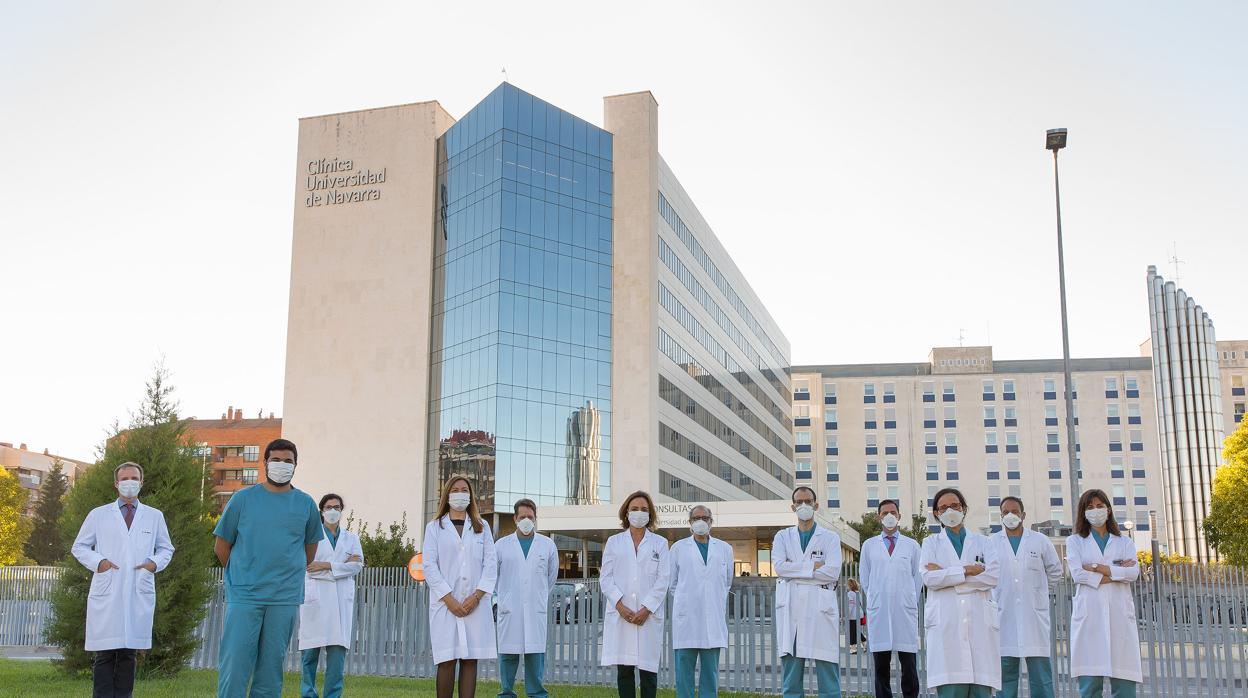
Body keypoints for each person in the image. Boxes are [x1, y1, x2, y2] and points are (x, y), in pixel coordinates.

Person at [214, 438, 323, 697]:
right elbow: (222, 546)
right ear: (265, 463)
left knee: (271, 669)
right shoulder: (242, 499)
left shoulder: (305, 504)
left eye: (288, 461)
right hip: (245, 596)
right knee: (235, 665)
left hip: (283, 598)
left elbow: (309, 552)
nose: (282, 465)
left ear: (296, 465)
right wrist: (245, 572)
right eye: (276, 460)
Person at [71, 461, 175, 698]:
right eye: (125, 478)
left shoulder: (154, 516)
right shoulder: (98, 515)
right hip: (108, 589)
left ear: (141, 482)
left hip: (138, 589)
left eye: (134, 478)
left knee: (128, 653)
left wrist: (153, 564)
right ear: (116, 483)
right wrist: (101, 563)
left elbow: (166, 549)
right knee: (105, 653)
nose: (130, 482)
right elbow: (79, 547)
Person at [920, 487, 1001, 698]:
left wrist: (948, 577)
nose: (950, 511)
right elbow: (929, 578)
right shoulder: (930, 543)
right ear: (937, 514)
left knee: (981, 688)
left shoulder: (984, 542)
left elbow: (992, 577)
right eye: (943, 507)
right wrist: (967, 570)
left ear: (964, 509)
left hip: (980, 627)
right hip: (947, 627)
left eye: (954, 506)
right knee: (951, 688)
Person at [423, 476, 498, 698]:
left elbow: (490, 565)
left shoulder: (481, 526)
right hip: (445, 605)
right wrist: (450, 600)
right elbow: (429, 566)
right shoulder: (435, 527)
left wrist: (476, 597)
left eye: (464, 489)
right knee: (446, 660)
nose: (460, 493)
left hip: (474, 604)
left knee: (469, 659)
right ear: (447, 495)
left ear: (470, 496)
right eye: (455, 489)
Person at [1065, 489, 1142, 698]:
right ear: (1083, 513)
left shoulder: (1124, 542)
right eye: (1090, 507)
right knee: (1090, 686)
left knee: (1125, 685)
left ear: (1108, 510)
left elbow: (1133, 573)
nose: (1095, 511)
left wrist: (1098, 567)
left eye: (1100, 506)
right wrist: (1118, 573)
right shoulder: (1074, 542)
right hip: (1090, 617)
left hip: (1120, 617)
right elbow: (1078, 575)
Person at [773, 485, 843, 698]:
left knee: (828, 673)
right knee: (791, 678)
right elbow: (779, 568)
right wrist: (814, 567)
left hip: (820, 609)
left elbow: (832, 572)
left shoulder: (830, 537)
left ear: (816, 505)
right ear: (792, 507)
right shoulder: (782, 536)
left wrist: (796, 569)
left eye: (808, 502)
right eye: (799, 502)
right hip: (792, 609)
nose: (804, 506)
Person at [601, 491, 671, 698]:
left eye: (644, 509)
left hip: (647, 616)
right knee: (624, 670)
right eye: (634, 509)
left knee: (648, 670)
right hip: (622, 614)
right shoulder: (614, 542)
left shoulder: (660, 543)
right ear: (626, 513)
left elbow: (663, 579)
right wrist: (620, 607)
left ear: (650, 514)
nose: (639, 513)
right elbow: (606, 578)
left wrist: (646, 609)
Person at [991, 496, 1062, 698]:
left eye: (1014, 511)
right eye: (1005, 512)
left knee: (1041, 678)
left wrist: (1038, 592)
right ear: (1001, 516)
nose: (1010, 515)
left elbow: (1055, 571)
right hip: (1003, 617)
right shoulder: (992, 542)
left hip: (1034, 618)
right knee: (1005, 678)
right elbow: (985, 574)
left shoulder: (1040, 541)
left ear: (1023, 515)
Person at [299, 493, 365, 698]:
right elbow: (309, 567)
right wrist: (340, 569)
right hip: (315, 601)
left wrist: (326, 566)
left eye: (336, 507)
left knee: (337, 658)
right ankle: (308, 694)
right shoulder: (311, 537)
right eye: (328, 507)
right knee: (309, 655)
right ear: (321, 511)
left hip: (339, 605)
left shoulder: (351, 538)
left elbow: (356, 566)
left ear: (341, 510)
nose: (333, 511)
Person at [495, 498, 559, 698]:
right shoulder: (501, 545)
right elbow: (494, 577)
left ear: (535, 519)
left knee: (535, 654)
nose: (526, 520)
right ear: (515, 518)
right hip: (509, 608)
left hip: (534, 608)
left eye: (530, 517)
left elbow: (551, 577)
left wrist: (536, 596)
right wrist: (506, 597)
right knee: (508, 655)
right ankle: (507, 693)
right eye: (522, 516)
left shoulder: (547, 545)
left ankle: (537, 694)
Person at [859, 499, 922, 698]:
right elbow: (865, 578)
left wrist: (909, 598)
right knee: (881, 667)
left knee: (909, 665)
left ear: (899, 516)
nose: (889, 516)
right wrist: (876, 597)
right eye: (885, 512)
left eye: (893, 512)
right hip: (880, 610)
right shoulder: (869, 545)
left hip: (904, 610)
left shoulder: (911, 545)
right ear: (879, 517)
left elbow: (918, 578)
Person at [670, 505, 733, 698]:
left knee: (710, 675)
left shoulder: (724, 549)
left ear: (711, 521)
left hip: (712, 620)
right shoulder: (678, 548)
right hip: (686, 620)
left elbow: (727, 582)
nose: (701, 521)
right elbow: (672, 584)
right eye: (696, 518)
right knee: (683, 675)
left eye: (705, 518)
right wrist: (687, 600)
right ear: (689, 523)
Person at [845, 578, 864, 654]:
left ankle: (853, 648)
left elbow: (850, 606)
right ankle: (864, 643)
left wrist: (847, 616)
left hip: (852, 616)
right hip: (859, 614)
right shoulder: (858, 593)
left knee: (852, 632)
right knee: (857, 630)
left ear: (850, 585)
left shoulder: (850, 594)